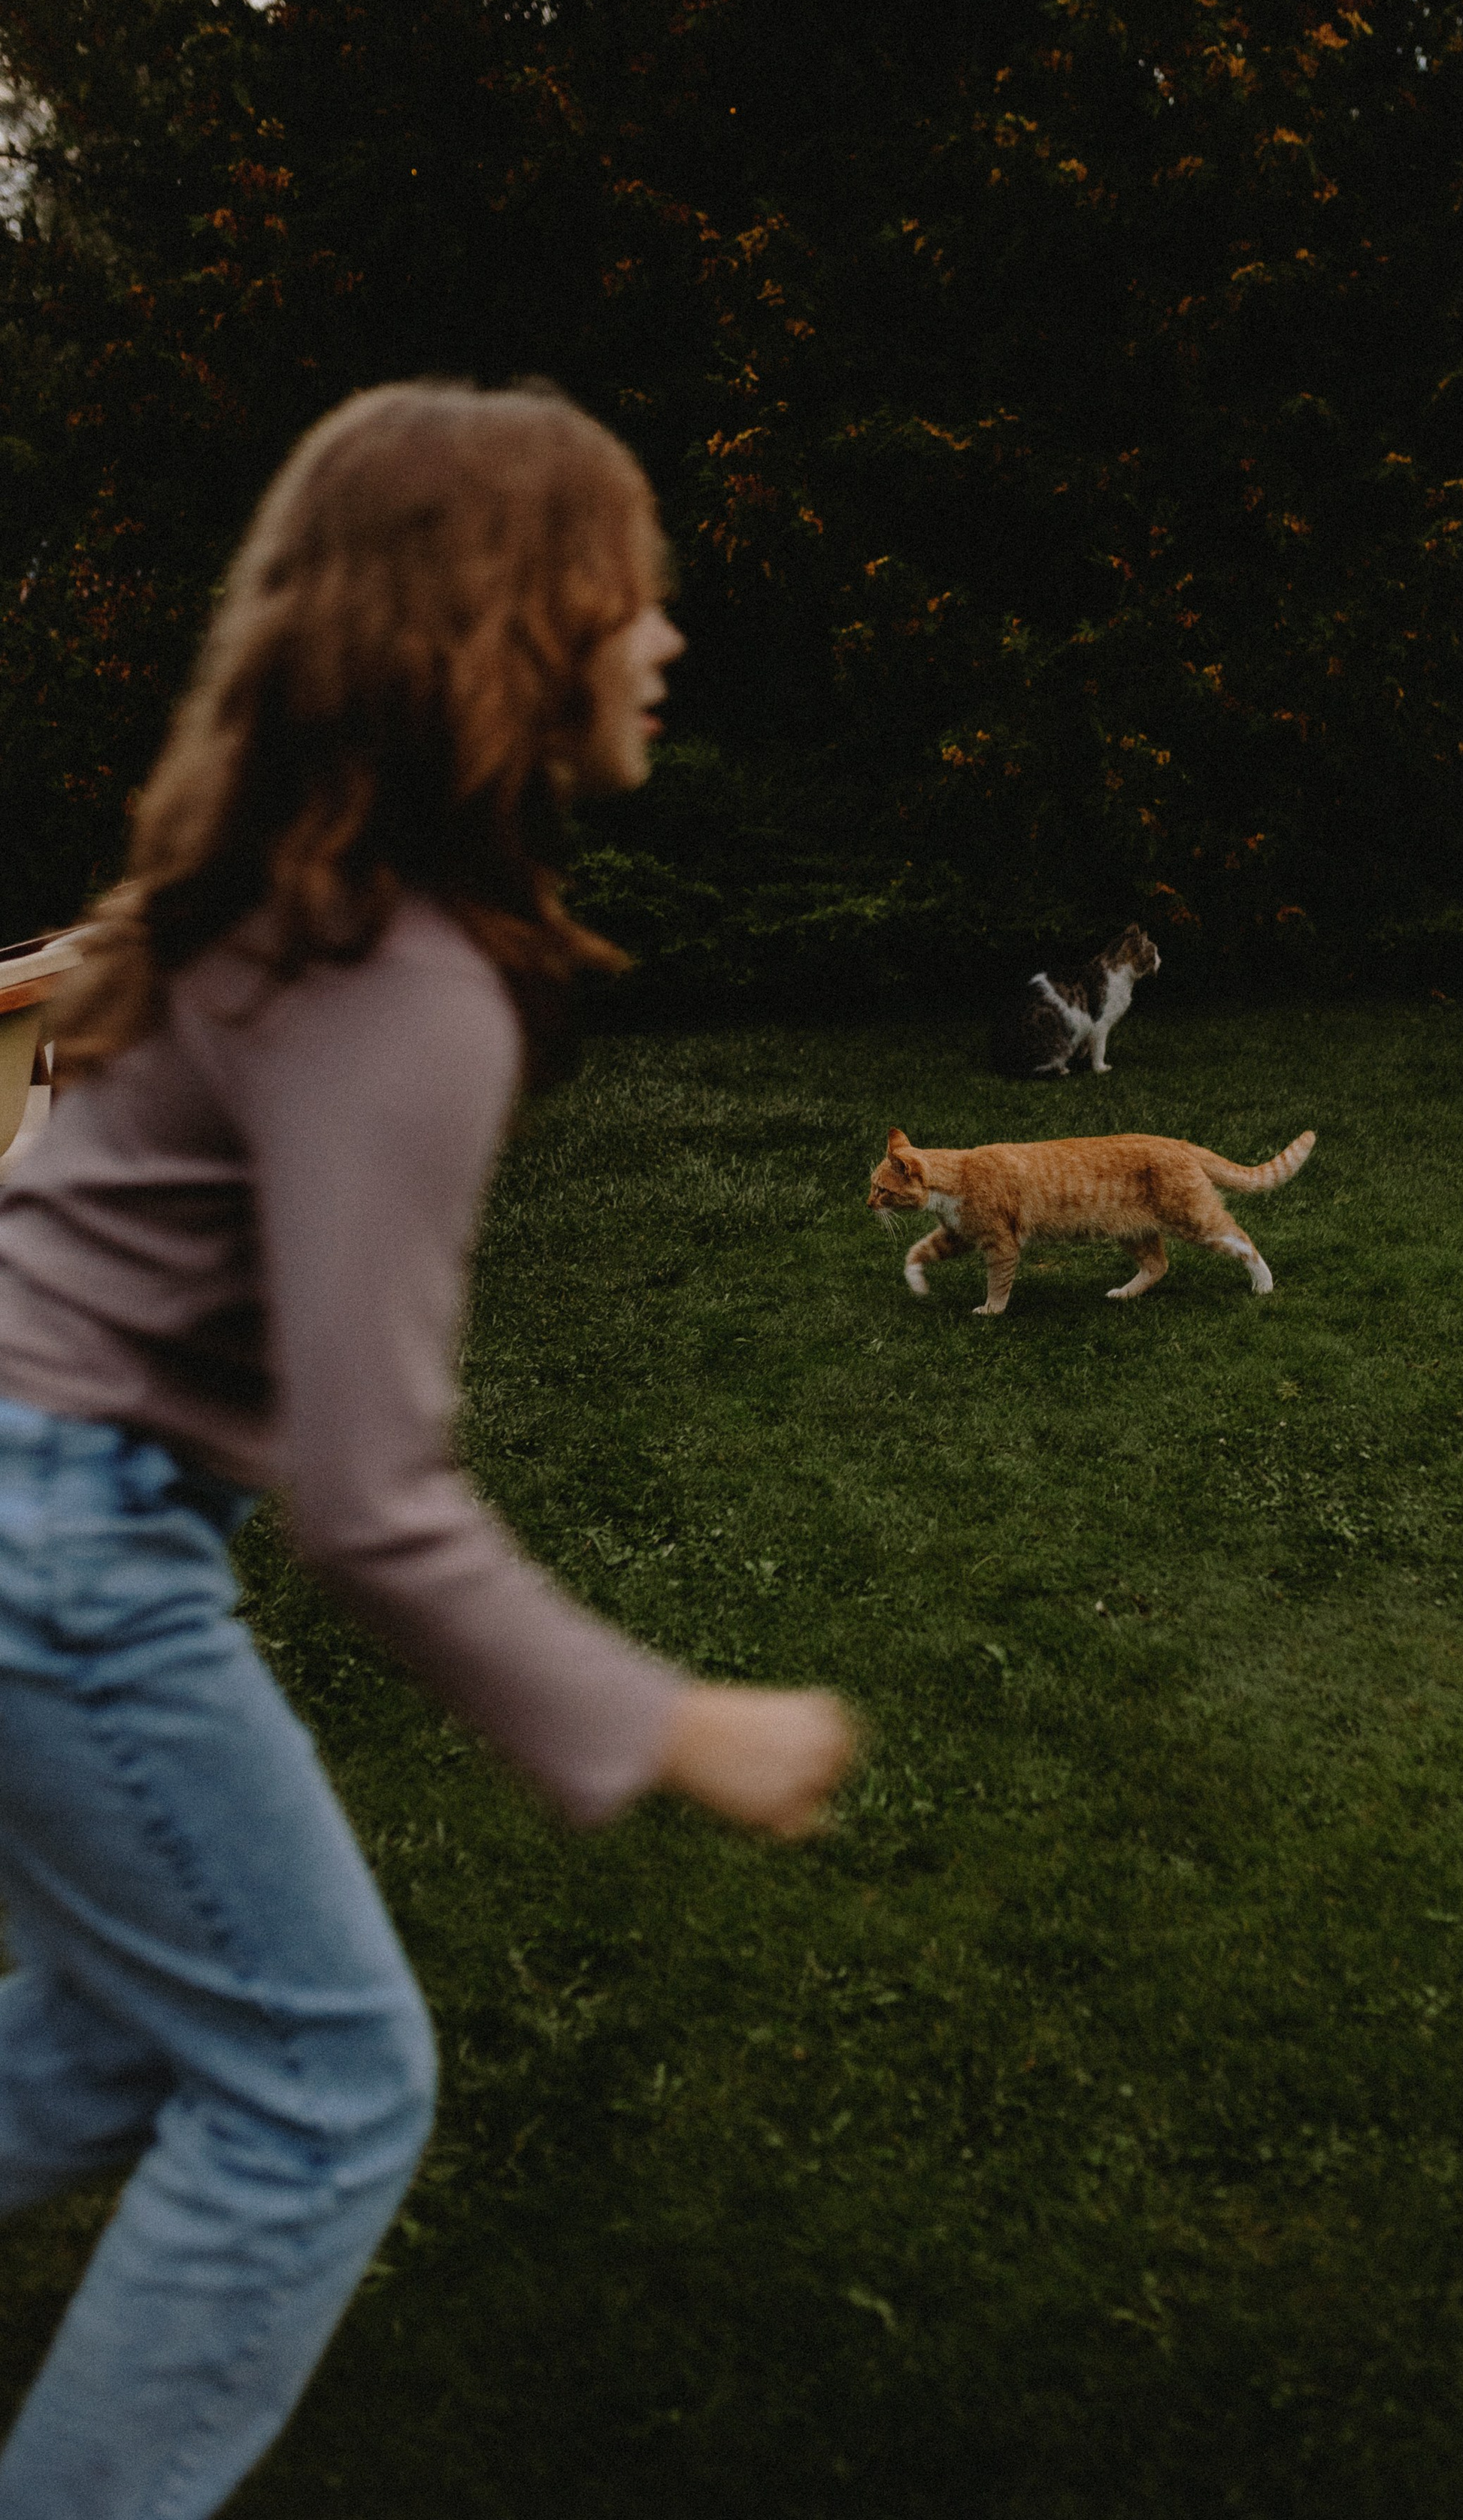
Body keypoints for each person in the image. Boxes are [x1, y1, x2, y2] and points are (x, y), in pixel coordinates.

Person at [0, 382, 855, 2517]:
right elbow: (375, 1506)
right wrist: (668, 1720)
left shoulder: (245, 899)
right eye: (628, 590)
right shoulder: (399, 980)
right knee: (322, 2091)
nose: (664, 636)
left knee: (124, 2029)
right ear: (507, 625)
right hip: (62, 1553)